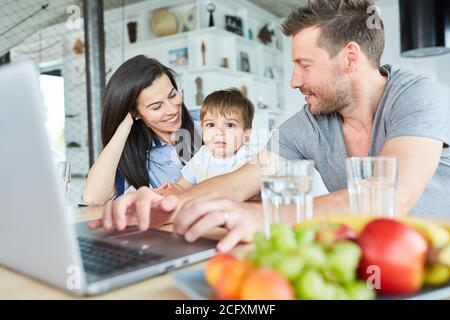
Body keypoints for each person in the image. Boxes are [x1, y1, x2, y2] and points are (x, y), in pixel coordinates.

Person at [89, 0, 450, 252]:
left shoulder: (417, 95)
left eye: (304, 65)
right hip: (371, 260)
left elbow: (390, 197)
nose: (294, 80)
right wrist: (167, 203)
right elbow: (240, 179)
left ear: (350, 57)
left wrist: (260, 216)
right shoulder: (309, 123)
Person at [82, 55, 202, 206]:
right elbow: (93, 198)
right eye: (157, 106)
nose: (172, 110)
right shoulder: (137, 152)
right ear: (135, 112)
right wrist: (124, 126)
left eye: (172, 95)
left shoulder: (208, 121)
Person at [158, 88, 256, 194]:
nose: (219, 132)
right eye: (211, 125)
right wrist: (173, 189)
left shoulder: (247, 158)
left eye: (230, 125)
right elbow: (182, 185)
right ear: (202, 129)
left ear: (246, 133)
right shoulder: (202, 155)